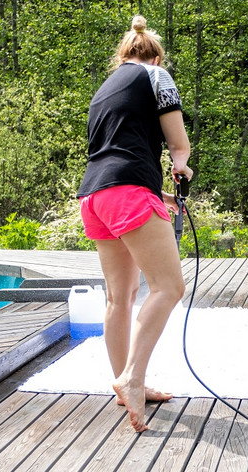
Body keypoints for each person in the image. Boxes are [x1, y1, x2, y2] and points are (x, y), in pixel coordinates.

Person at [77, 15, 193, 432]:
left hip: (94, 196)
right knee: (169, 287)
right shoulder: (157, 75)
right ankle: (133, 376)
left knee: (118, 297)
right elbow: (178, 144)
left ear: (122, 56)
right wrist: (181, 166)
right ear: (155, 54)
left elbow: (113, 153)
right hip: (127, 192)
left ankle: (127, 385)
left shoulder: (104, 91)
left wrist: (153, 190)